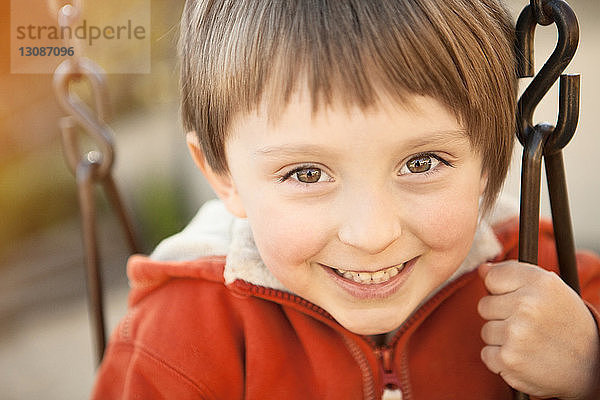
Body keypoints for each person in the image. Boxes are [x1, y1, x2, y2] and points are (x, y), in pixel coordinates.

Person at [92, 0, 600, 398]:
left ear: (493, 159)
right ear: (223, 176)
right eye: (307, 173)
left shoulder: (553, 281)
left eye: (421, 164)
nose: (372, 235)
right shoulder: (179, 337)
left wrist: (590, 367)